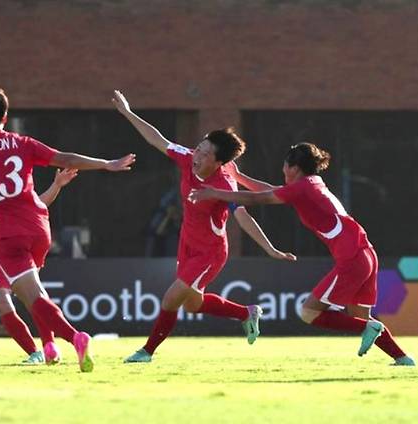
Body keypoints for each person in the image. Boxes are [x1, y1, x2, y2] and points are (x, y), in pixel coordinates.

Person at [189, 142, 415, 366]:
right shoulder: (312, 183)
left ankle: (370, 330)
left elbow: (259, 199)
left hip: (352, 257)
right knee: (359, 318)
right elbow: (271, 191)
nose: (283, 170)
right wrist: (239, 177)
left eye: (285, 166)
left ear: (294, 168)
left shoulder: (302, 188)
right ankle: (403, 358)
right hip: (366, 253)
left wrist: (214, 193)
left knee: (309, 312)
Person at [112, 90, 295, 363]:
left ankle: (146, 352)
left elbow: (243, 216)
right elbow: (156, 140)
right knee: (193, 304)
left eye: (205, 153)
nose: (197, 153)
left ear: (220, 162)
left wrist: (270, 249)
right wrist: (128, 112)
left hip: (210, 252)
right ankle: (247, 313)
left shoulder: (224, 185)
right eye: (199, 146)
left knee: (171, 298)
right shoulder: (188, 158)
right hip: (187, 243)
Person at [0, 86, 136, 372]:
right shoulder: (23, 143)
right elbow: (66, 159)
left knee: (32, 296)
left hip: (6, 234)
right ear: (5, 117)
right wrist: (106, 164)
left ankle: (75, 338)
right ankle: (48, 346)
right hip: (38, 226)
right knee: (34, 291)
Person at [0, 167, 78, 364]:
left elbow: (37, 206)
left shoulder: (5, 186)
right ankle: (34, 353)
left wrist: (56, 185)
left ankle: (49, 346)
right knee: (2, 304)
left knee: (32, 299)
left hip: (10, 249)